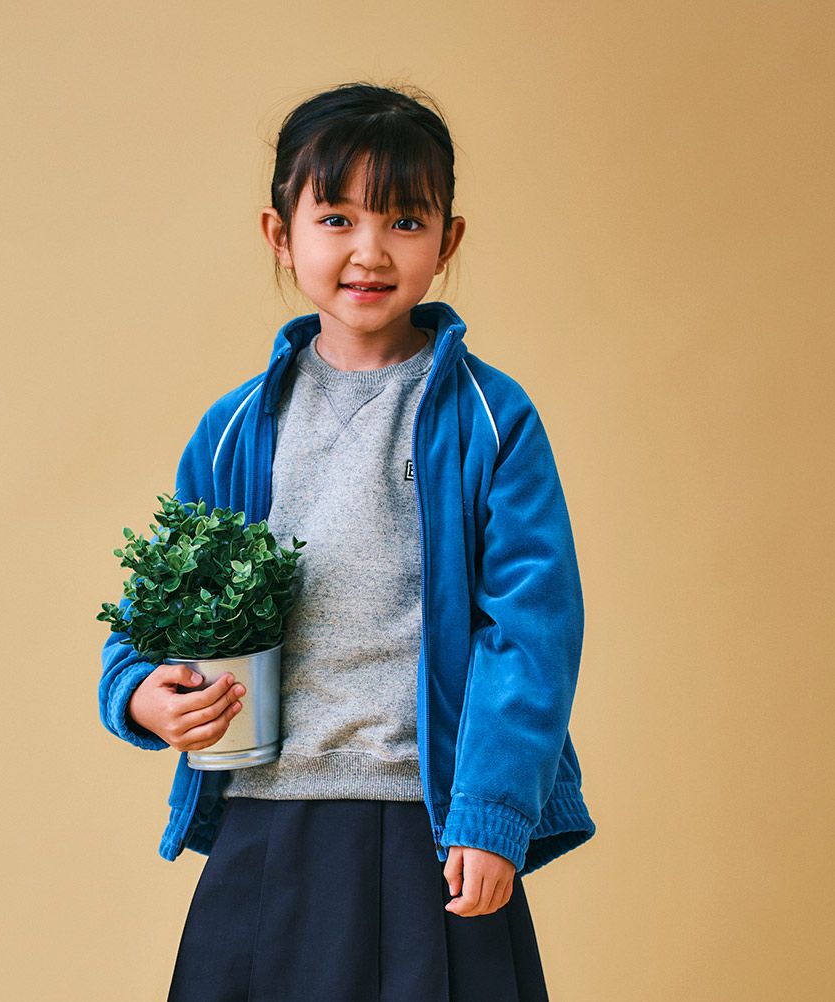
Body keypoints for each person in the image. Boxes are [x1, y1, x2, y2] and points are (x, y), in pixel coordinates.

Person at [98, 81, 597, 1002]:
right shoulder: (233, 430)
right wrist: (136, 692)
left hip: (431, 822)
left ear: (448, 240)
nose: (370, 251)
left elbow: (531, 631)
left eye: (405, 220)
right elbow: (159, 603)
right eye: (335, 218)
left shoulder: (491, 419)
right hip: (265, 818)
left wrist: (493, 813)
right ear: (279, 235)